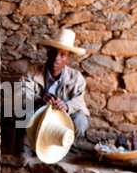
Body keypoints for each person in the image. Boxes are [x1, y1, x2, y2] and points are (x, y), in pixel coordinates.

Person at [17, 28, 90, 156]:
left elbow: (80, 104)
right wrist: (38, 99)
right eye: (53, 53)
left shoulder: (76, 78)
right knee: (22, 114)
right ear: (48, 54)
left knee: (80, 121)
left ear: (68, 58)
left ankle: (60, 146)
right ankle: (28, 147)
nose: (56, 58)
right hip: (37, 117)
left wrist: (67, 106)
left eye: (62, 55)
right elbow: (21, 96)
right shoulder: (32, 72)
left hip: (59, 122)